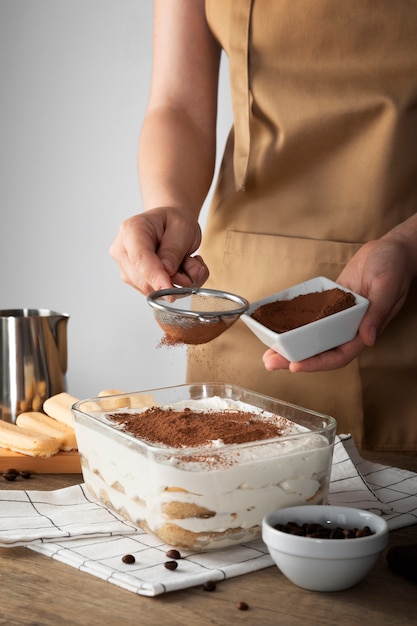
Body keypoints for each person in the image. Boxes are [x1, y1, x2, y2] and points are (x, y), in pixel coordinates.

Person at [110, 0, 417, 451]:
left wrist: (408, 244)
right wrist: (169, 207)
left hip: (405, 301)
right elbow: (179, 106)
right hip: (241, 313)